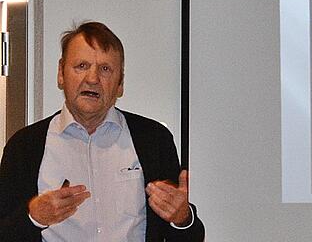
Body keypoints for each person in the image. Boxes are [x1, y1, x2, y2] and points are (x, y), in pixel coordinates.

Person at [0, 21, 204, 241]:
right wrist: (34, 217)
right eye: (81, 66)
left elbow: (189, 236)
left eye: (105, 69)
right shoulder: (24, 146)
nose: (93, 79)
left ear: (120, 84)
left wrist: (183, 219)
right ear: (61, 73)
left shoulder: (154, 139)